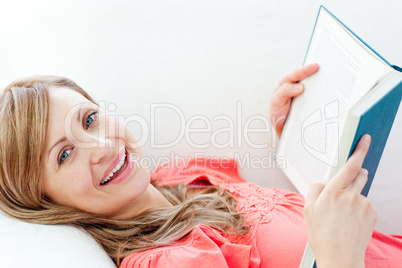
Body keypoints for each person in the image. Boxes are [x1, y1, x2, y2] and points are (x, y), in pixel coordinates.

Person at [0, 65, 401, 268]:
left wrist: (297, 137)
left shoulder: (177, 177)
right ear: (43, 201)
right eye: (64, 155)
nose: (102, 145)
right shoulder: (163, 260)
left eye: (89, 119)